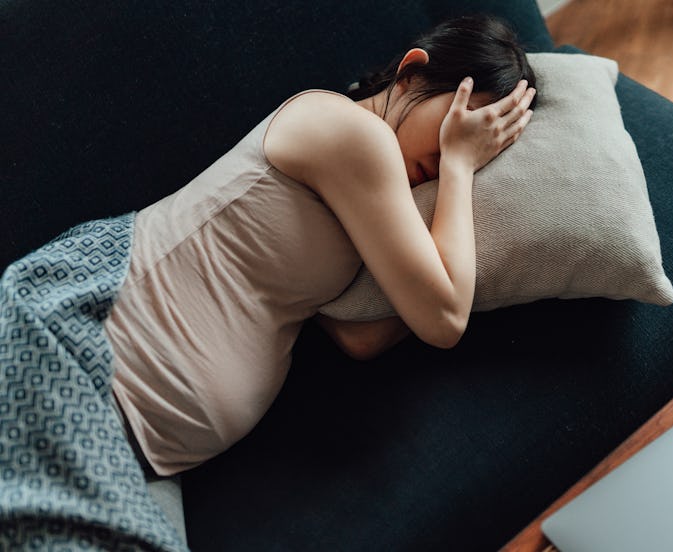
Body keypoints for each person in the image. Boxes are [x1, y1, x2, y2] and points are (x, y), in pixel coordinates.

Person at [4, 13, 537, 544]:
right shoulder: (351, 132)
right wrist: (464, 167)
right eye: (457, 124)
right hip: (82, 353)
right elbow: (443, 319)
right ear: (413, 73)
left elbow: (360, 336)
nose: (448, 154)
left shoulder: (375, 196)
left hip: (142, 448)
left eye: (473, 142)